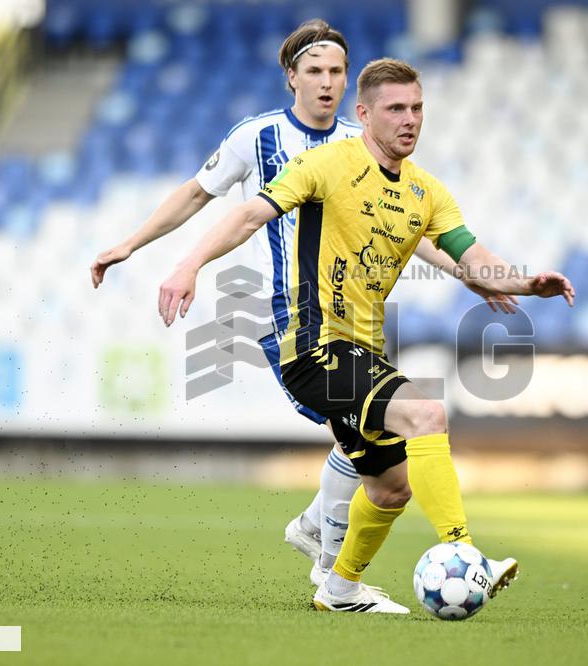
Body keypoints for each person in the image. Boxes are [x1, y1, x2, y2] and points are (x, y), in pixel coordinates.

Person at [90, 21, 514, 591]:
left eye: (337, 72)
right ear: (291, 77)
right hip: (291, 314)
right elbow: (198, 194)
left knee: (371, 443)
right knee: (371, 422)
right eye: (314, 71)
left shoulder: (359, 145)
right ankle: (330, 554)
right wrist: (134, 245)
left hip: (356, 317)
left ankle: (324, 549)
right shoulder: (258, 137)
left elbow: (416, 230)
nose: (327, 82)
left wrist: (469, 273)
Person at [157, 58, 575, 614]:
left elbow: (470, 256)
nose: (410, 120)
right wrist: (189, 265)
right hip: (311, 343)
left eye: (417, 108)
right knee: (426, 415)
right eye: (396, 109)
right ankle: (465, 553)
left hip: (361, 348)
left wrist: (523, 282)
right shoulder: (324, 163)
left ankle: (339, 587)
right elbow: (250, 217)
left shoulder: (427, 192)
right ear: (364, 114)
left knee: (391, 487)